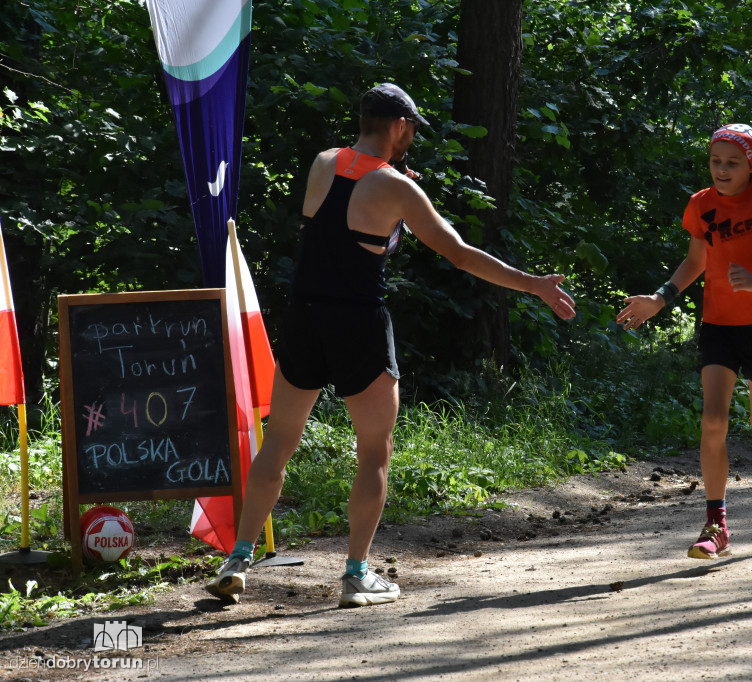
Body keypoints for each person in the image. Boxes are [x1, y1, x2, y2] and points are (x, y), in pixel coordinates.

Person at [206, 83, 576, 606]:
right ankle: (356, 574)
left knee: (279, 442)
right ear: (400, 126)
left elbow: (343, 229)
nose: (411, 141)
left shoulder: (322, 163)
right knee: (374, 452)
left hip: (305, 319)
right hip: (358, 323)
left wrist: (398, 200)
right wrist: (533, 283)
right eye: (411, 131)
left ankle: (239, 558)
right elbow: (461, 254)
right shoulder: (398, 189)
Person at [616, 123, 752, 559]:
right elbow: (695, 260)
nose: (721, 170)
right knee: (713, 420)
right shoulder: (700, 205)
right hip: (719, 325)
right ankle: (716, 524)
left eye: (732, 163)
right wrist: (659, 298)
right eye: (715, 161)